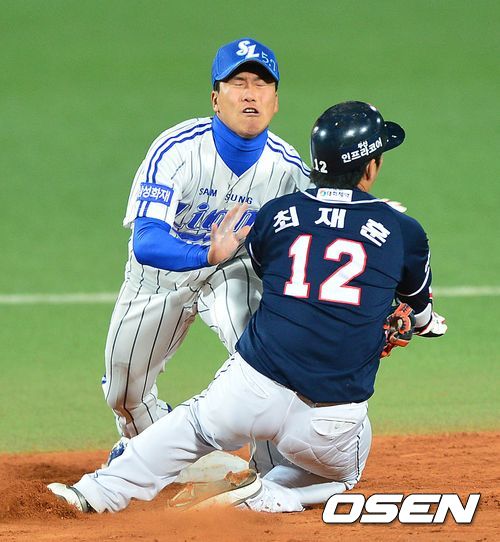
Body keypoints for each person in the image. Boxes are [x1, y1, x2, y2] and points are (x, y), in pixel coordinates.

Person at [48, 101, 446, 513]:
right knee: (340, 477)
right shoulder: (404, 231)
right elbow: (418, 314)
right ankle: (264, 496)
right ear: (371, 168)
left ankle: (95, 492)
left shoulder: (277, 213)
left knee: (194, 425)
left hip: (251, 390)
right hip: (330, 422)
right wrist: (403, 323)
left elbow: (275, 276)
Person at [101, 37, 311, 468]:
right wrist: (205, 254)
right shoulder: (177, 149)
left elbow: (317, 243)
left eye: (262, 84)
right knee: (124, 394)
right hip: (161, 274)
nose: (250, 94)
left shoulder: (289, 170)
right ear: (216, 99)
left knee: (263, 360)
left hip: (234, 272)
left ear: (275, 102)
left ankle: (273, 470)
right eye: (238, 83)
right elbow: (146, 240)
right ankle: (161, 454)